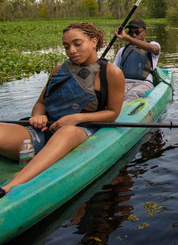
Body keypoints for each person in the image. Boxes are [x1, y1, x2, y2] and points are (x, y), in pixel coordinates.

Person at [0, 22, 125, 198]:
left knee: (67, 131)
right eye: (66, 46)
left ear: (94, 41)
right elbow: (41, 103)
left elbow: (113, 113)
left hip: (80, 129)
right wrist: (38, 116)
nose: (71, 50)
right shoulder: (59, 70)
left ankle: (9, 187)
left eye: (77, 44)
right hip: (44, 130)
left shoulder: (111, 73)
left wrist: (76, 118)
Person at [113, 19, 161, 103]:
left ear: (145, 32)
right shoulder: (122, 50)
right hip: (125, 83)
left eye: (137, 32)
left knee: (132, 94)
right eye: (131, 33)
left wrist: (127, 38)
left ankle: (123, 113)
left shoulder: (154, 45)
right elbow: (113, 69)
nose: (134, 35)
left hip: (144, 83)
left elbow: (153, 49)